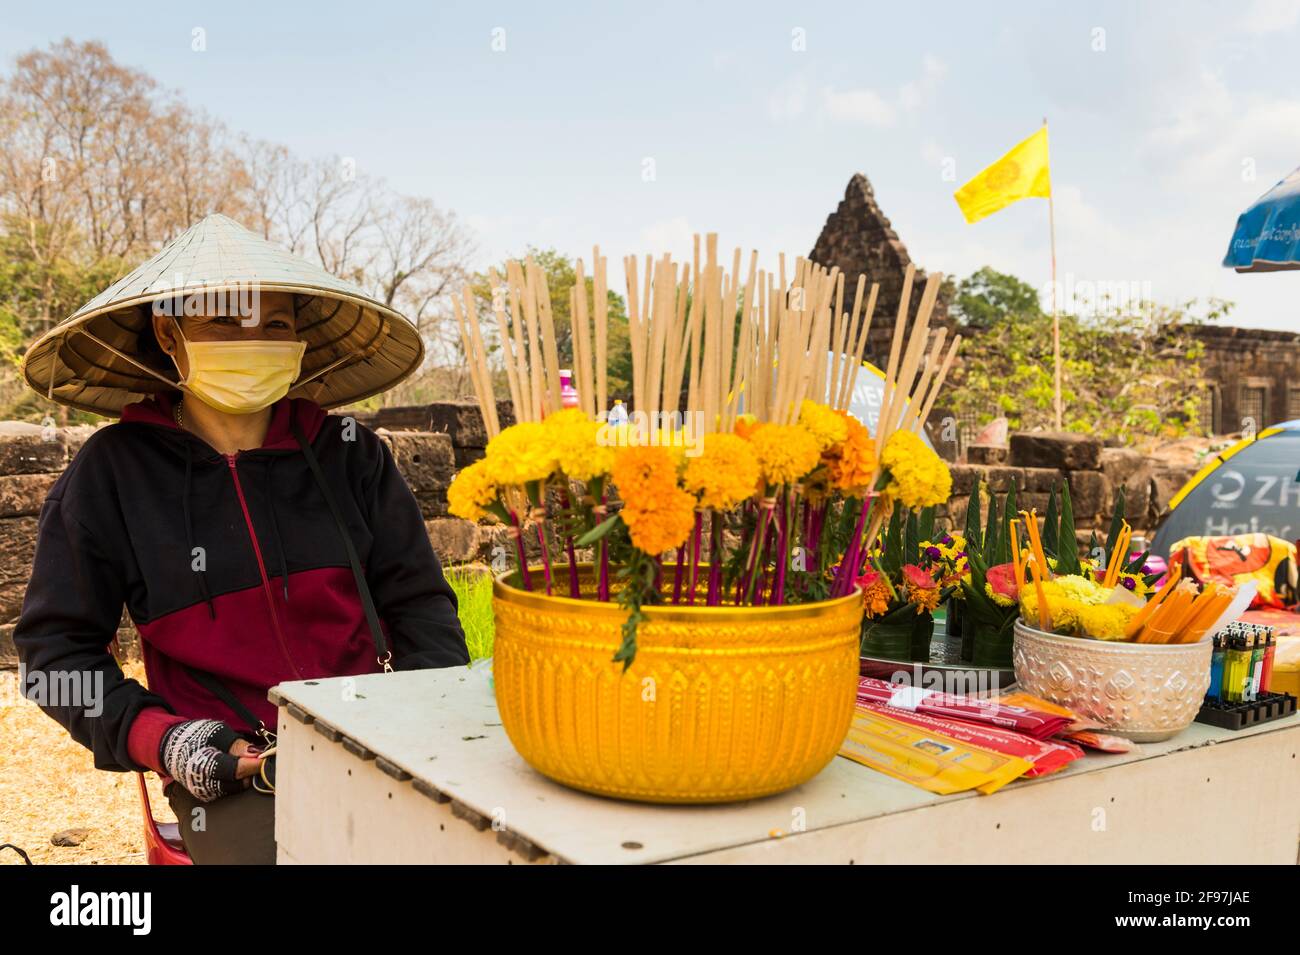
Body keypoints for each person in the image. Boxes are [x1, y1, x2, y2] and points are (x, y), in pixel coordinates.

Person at [14, 215, 469, 864]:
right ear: (169, 333)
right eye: (225, 322)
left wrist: (425, 718)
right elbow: (54, 653)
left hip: (380, 740)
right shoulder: (111, 475)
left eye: (275, 326)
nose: (252, 338)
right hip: (238, 772)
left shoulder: (352, 456)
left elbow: (422, 605)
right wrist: (161, 738)